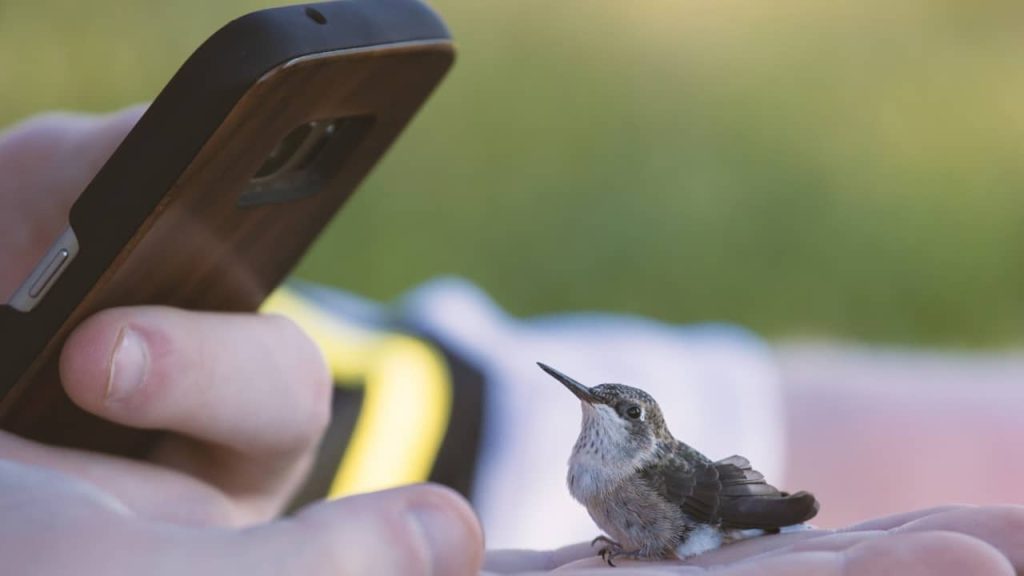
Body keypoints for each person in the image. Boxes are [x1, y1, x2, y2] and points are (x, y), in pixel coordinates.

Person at [0, 107, 1019, 576]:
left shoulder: (656, 467)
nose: (599, 412)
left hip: (420, 415)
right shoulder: (590, 475)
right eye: (602, 407)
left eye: (614, 411)